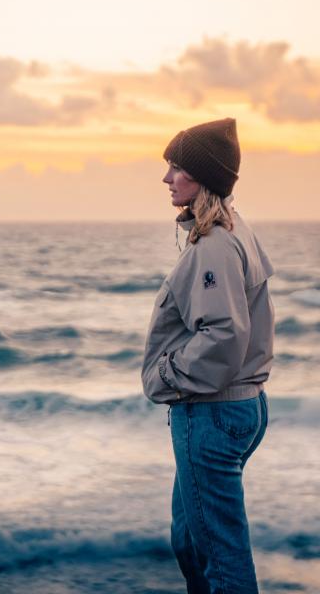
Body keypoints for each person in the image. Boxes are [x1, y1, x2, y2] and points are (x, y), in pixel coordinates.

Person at [141, 118, 275, 593]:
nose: (167, 179)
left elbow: (223, 335)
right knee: (191, 543)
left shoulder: (215, 244)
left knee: (221, 559)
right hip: (232, 407)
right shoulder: (230, 230)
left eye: (176, 168)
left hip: (212, 414)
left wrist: (166, 376)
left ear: (203, 178)